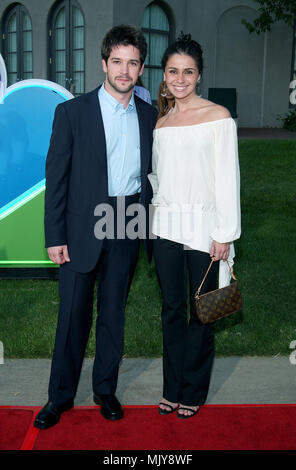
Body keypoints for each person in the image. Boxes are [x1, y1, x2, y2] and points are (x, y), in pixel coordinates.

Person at [33, 24, 158, 429]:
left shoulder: (149, 116)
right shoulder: (72, 112)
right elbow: (58, 179)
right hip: (81, 224)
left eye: (132, 63)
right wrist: (55, 236)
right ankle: (59, 397)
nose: (124, 70)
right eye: (117, 61)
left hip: (127, 219)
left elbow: (152, 175)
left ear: (141, 69)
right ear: (104, 63)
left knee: (113, 315)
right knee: (72, 316)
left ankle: (106, 390)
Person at [148, 33, 241, 419]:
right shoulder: (162, 120)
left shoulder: (218, 117)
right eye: (173, 71)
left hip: (205, 228)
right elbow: (158, 175)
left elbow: (227, 177)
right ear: (164, 74)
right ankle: (172, 386)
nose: (180, 79)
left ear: (199, 75)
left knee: (202, 311)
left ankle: (194, 390)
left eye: (188, 72)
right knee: (171, 309)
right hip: (166, 227)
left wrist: (225, 233)